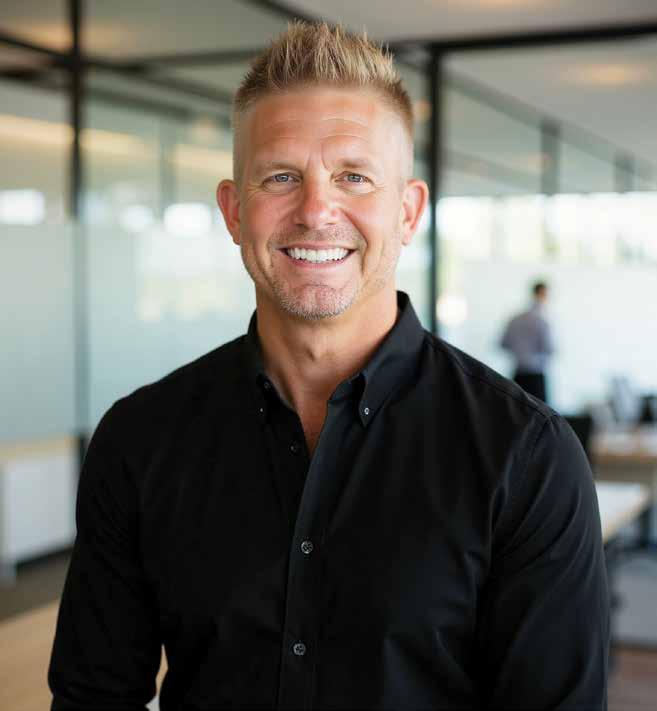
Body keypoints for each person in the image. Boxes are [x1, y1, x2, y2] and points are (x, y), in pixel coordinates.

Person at [49, 22, 609, 711]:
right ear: (234, 211)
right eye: (281, 176)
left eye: (354, 177)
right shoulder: (140, 440)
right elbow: (93, 697)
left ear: (408, 212)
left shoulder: (527, 456)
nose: (316, 211)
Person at [500, 280, 554, 402]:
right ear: (543, 294)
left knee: (517, 409)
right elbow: (549, 349)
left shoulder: (515, 319)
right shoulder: (542, 321)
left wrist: (520, 351)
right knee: (539, 411)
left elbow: (503, 344)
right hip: (536, 375)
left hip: (518, 374)